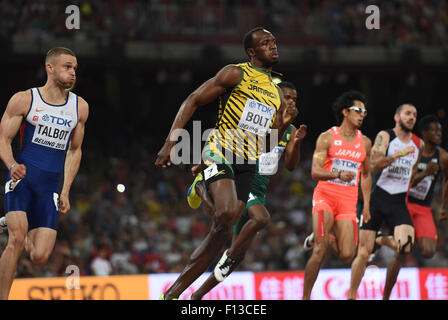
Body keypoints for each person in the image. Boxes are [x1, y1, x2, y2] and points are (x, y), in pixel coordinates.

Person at [155, 27, 297, 300]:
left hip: (249, 161)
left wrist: (283, 125)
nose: (273, 46)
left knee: (223, 230)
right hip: (221, 150)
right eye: (265, 43)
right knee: (226, 213)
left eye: (274, 41)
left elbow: (268, 146)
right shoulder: (236, 73)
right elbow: (193, 99)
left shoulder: (277, 94)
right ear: (252, 52)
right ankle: (201, 183)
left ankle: (172, 294)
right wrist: (170, 143)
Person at [188, 81, 307, 300]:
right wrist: (207, 156)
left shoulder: (290, 130)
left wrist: (297, 142)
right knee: (261, 218)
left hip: (260, 189)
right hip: (242, 181)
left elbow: (290, 165)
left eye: (294, 99)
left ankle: (197, 296)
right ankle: (202, 184)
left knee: (238, 255)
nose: (290, 102)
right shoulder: (259, 121)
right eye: (286, 97)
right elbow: (232, 137)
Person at [0, 47, 89, 299]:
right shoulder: (25, 100)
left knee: (40, 256)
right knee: (16, 241)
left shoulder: (79, 107)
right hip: (22, 180)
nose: (72, 73)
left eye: (74, 68)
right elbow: (3, 139)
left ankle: (12, 221)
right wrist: (11, 165)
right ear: (50, 68)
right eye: (67, 67)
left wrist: (66, 190)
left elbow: (75, 150)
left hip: (49, 187)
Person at [301, 90, 372, 300]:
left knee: (347, 254)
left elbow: (366, 175)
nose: (362, 114)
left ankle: (319, 235)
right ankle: (305, 297)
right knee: (320, 251)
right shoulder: (327, 137)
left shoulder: (365, 143)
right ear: (345, 112)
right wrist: (338, 173)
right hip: (326, 196)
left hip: (348, 202)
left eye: (365, 112)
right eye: (358, 110)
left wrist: (366, 205)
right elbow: (315, 172)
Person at [348, 104, 421, 300]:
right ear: (397, 117)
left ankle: (386, 296)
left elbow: (412, 174)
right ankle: (352, 296)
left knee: (405, 247)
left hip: (398, 202)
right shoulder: (386, 136)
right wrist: (397, 155)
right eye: (407, 113)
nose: (411, 117)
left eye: (414, 115)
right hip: (377, 198)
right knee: (363, 253)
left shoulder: (418, 145)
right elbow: (372, 165)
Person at [374, 114, 448, 299]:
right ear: (424, 133)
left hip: (423, 208)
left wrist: (444, 206)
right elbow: (404, 182)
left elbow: (447, 179)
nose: (439, 133)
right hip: (404, 203)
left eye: (440, 130)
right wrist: (425, 174)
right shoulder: (413, 151)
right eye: (434, 130)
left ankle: (383, 238)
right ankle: (385, 296)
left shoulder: (443, 156)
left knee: (429, 251)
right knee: (401, 251)